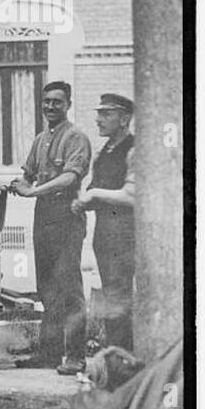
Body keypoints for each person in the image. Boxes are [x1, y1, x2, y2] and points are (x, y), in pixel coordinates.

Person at [10, 81, 93, 375]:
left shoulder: (76, 137)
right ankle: (49, 354)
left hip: (66, 216)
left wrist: (33, 191)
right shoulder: (40, 139)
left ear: (68, 104)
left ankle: (76, 358)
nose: (50, 107)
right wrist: (20, 185)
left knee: (70, 289)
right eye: (46, 101)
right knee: (46, 289)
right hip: (43, 216)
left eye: (57, 102)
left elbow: (70, 178)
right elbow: (27, 175)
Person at [72, 93, 135, 352]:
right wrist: (83, 202)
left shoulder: (134, 150)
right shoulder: (103, 152)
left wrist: (94, 196)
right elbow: (95, 191)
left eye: (106, 114)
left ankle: (122, 360)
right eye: (99, 113)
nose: (98, 119)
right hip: (105, 235)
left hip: (126, 234)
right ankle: (115, 358)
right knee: (110, 295)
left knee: (119, 298)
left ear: (124, 119)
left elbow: (132, 196)